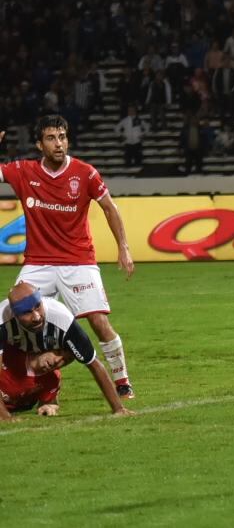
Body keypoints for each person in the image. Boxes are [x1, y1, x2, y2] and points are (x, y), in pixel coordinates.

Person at [0, 115, 137, 399]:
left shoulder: (85, 173)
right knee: (15, 317)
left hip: (78, 260)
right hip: (38, 262)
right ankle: (22, 384)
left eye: (62, 137)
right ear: (39, 144)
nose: (58, 143)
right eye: (51, 138)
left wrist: (123, 246)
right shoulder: (23, 171)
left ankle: (122, 381)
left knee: (98, 321)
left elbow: (110, 208)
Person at [0, 282, 134, 420]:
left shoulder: (62, 319)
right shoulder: (2, 321)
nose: (37, 317)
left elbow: (94, 364)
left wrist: (118, 408)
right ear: (14, 314)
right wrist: (5, 417)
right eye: (27, 312)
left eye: (38, 307)